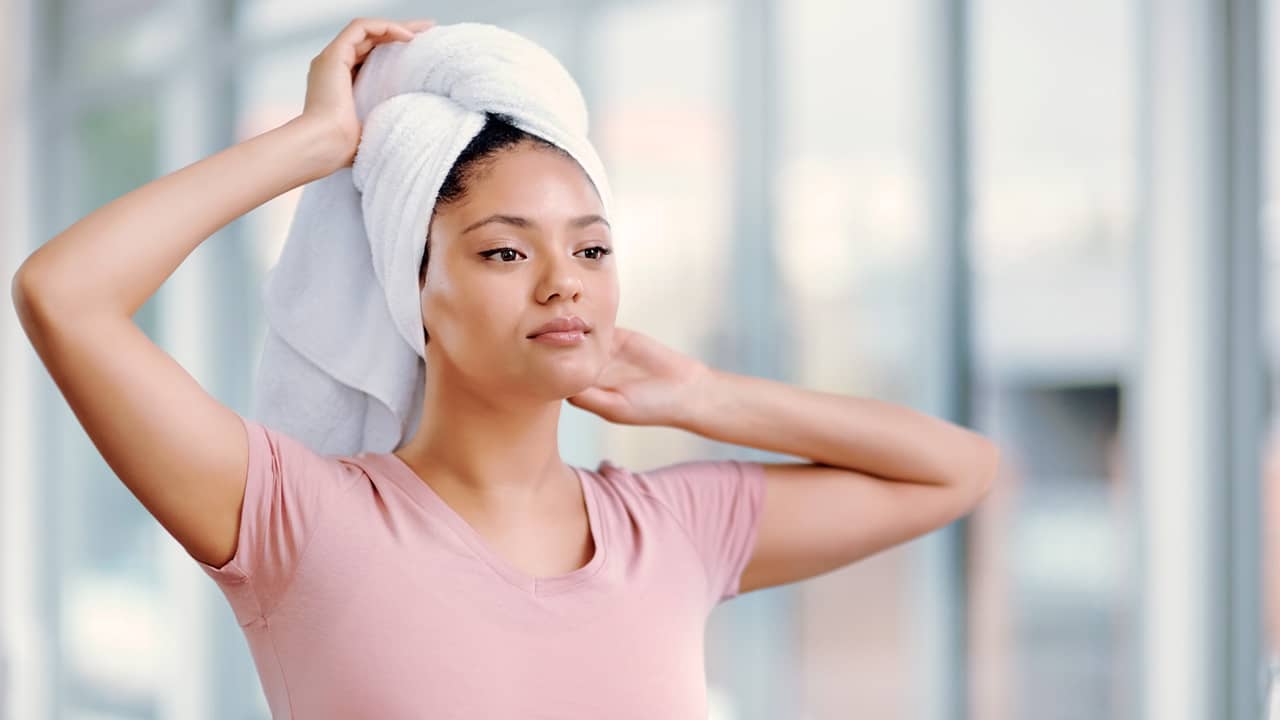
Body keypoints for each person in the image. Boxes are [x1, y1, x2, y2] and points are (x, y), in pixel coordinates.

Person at [11, 17, 1001, 718]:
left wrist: (705, 396)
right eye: (503, 250)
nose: (561, 282)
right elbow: (64, 294)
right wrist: (312, 144)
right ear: (415, 291)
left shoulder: (669, 529)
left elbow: (956, 469)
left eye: (591, 248)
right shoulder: (294, 519)